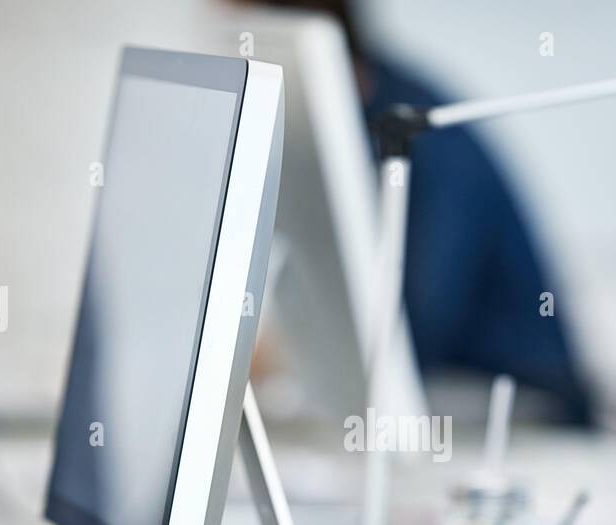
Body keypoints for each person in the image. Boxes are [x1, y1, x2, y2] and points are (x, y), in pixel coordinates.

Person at [240, 0, 596, 426]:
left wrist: (284, 360)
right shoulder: (342, 126)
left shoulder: (423, 135)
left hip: (512, 396)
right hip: (426, 386)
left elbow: (418, 329)